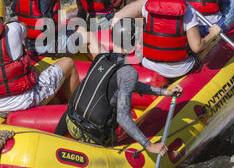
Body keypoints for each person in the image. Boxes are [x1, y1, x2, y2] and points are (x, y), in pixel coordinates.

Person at [64, 18, 183, 157]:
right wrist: (148, 145)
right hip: (92, 136)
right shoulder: (129, 72)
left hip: (71, 121)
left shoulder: (102, 56)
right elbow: (122, 117)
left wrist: (164, 92)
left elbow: (127, 84)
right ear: (133, 46)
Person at [112, 0, 221, 82]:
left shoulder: (147, 5)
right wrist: (213, 34)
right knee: (208, 42)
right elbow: (196, 47)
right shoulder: (188, 11)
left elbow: (156, 3)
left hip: (150, 65)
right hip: (180, 70)